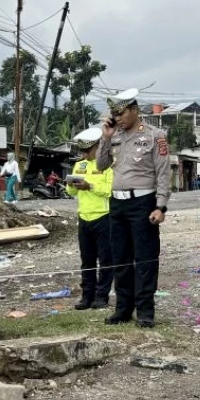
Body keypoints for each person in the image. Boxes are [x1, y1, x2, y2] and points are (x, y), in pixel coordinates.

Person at [96, 89, 171, 328]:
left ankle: (146, 311)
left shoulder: (154, 135)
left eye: (122, 113)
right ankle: (123, 309)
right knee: (120, 258)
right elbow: (100, 164)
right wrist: (105, 137)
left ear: (135, 110)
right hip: (117, 204)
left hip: (143, 202)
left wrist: (161, 206)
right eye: (114, 114)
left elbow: (163, 174)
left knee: (145, 258)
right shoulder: (114, 135)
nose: (118, 118)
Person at [66, 127, 114, 310]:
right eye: (82, 151)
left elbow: (111, 191)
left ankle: (101, 297)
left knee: (106, 260)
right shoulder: (80, 165)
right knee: (87, 260)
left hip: (103, 217)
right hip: (84, 217)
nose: (85, 154)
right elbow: (70, 191)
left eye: (88, 150)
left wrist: (90, 186)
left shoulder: (108, 165)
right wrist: (71, 185)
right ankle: (87, 296)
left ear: (99, 146)